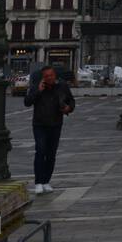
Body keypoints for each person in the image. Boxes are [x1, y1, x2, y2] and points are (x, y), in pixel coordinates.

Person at [24, 65, 75, 194]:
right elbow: (27, 102)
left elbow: (71, 101)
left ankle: (46, 181)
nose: (49, 78)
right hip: (39, 124)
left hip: (56, 124)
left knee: (51, 154)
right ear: (43, 77)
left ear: (55, 75)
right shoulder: (37, 87)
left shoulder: (62, 86)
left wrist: (68, 108)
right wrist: (38, 91)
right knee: (40, 151)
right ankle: (38, 182)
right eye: (46, 76)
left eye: (51, 75)